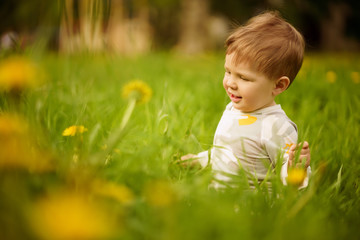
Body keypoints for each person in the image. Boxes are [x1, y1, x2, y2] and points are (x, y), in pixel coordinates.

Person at [180, 11, 311, 189]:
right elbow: (226, 153)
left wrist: (296, 169)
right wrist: (200, 160)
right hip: (220, 202)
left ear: (278, 85)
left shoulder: (276, 127)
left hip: (252, 209)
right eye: (228, 72)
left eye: (244, 78)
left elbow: (289, 179)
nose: (231, 83)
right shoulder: (233, 110)